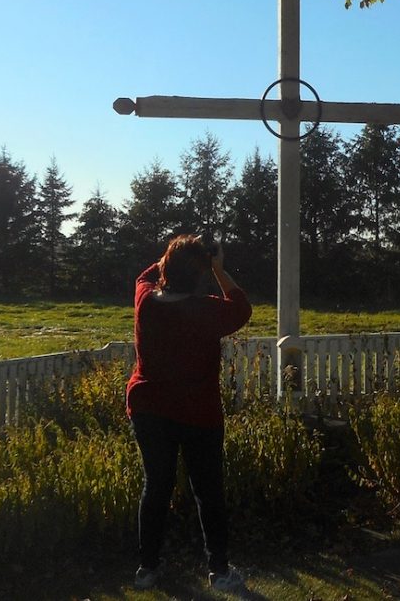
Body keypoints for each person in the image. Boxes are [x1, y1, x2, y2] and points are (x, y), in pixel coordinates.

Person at [126, 234, 252, 592]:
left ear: (166, 268)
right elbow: (241, 306)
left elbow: (143, 276)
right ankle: (219, 571)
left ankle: (147, 569)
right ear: (198, 276)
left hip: (149, 408)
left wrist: (174, 253)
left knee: (157, 487)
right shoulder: (209, 310)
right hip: (199, 413)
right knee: (208, 491)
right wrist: (218, 267)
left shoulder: (146, 302)